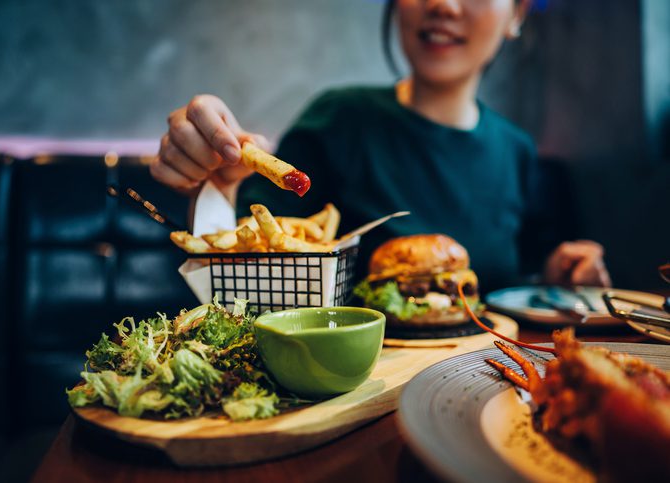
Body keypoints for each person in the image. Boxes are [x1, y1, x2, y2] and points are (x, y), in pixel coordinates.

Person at [150, 0, 611, 292]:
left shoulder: (517, 151)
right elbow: (246, 262)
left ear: (517, 13)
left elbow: (525, 275)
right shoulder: (338, 120)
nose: (443, 6)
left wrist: (562, 273)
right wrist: (217, 182)